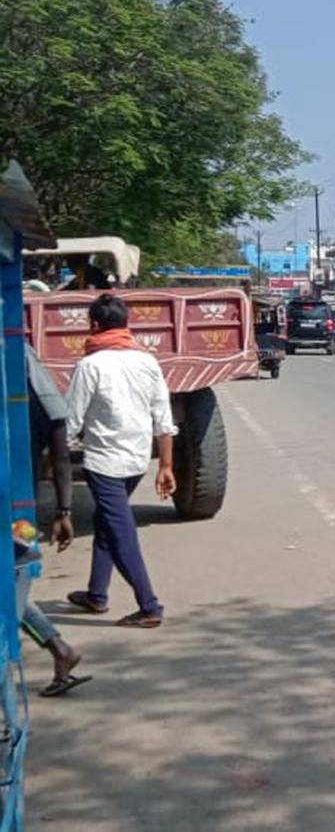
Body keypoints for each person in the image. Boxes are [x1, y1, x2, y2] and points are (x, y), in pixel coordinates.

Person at [65, 293, 177, 628]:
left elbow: (71, 421)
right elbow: (164, 419)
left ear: (94, 325)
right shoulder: (147, 361)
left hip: (104, 463)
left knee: (120, 532)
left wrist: (53, 458)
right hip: (137, 460)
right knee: (107, 522)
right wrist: (166, 465)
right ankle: (96, 594)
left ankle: (150, 606)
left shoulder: (90, 366)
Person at [22, 344, 90, 696]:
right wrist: (64, 512)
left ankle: (59, 648)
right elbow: (61, 454)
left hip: (15, 512)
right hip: (22, 512)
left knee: (9, 588)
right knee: (12, 585)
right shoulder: (38, 387)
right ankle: (59, 649)